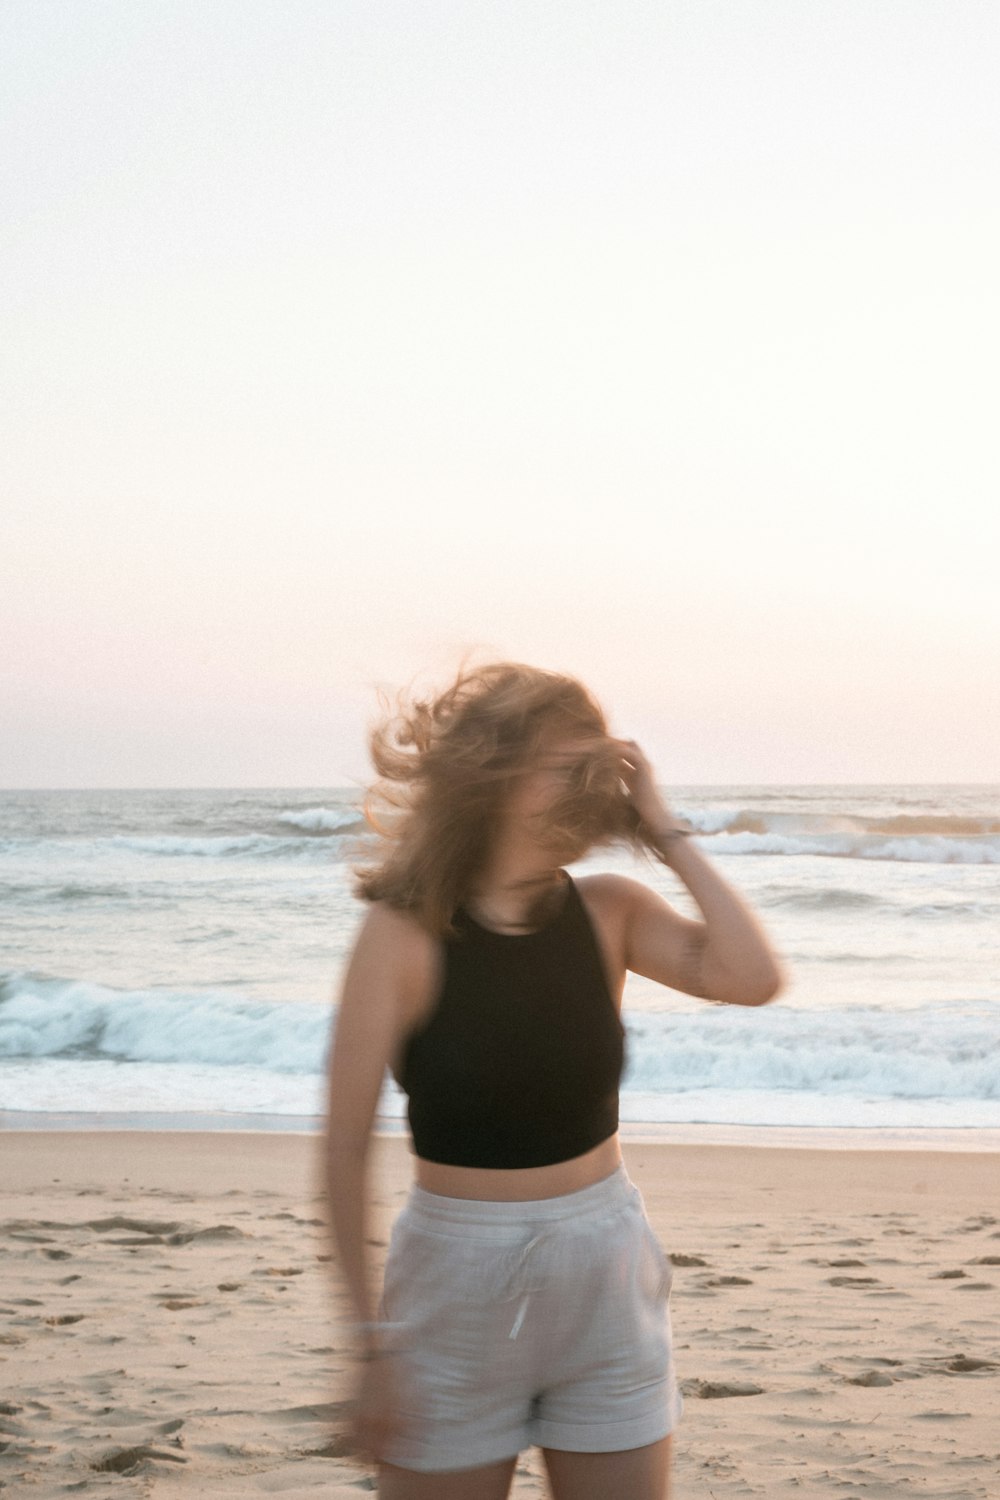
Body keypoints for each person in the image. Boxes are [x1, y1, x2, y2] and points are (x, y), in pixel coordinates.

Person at [325, 662, 783, 1499]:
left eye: (596, 770)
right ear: (489, 775)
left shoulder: (610, 911)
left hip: (605, 1271)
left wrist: (665, 831)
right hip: (453, 1289)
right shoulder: (403, 934)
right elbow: (343, 1151)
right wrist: (371, 1345)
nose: (587, 790)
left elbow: (752, 977)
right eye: (564, 769)